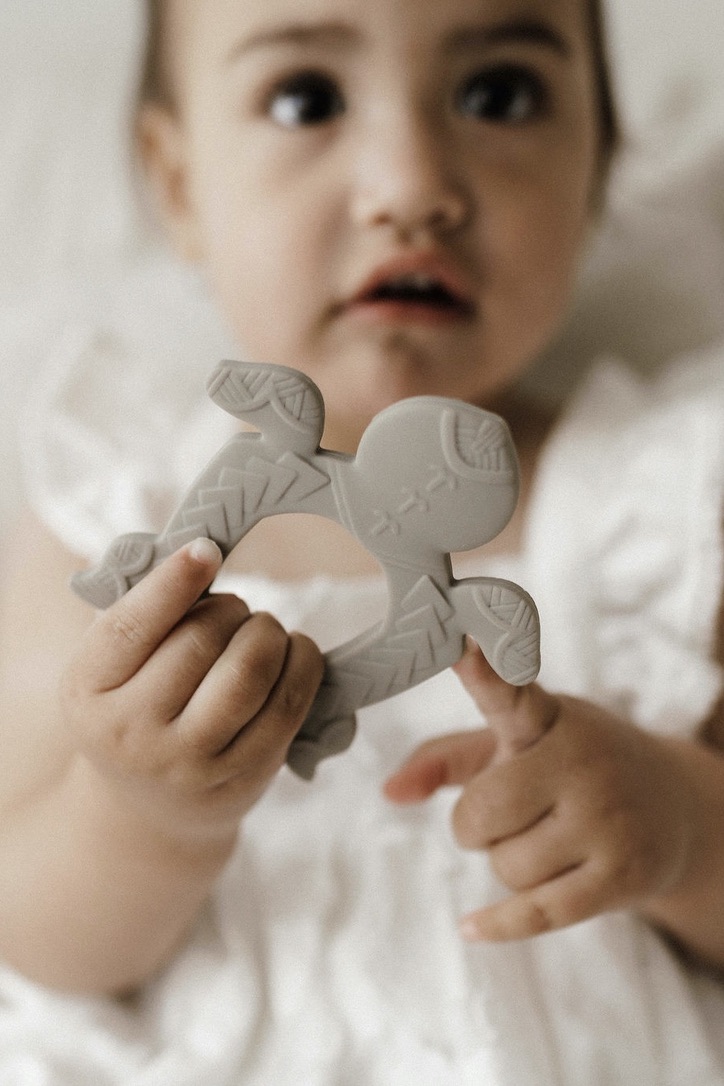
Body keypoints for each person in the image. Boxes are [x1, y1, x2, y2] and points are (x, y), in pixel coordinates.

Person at [1, 0, 723, 1081]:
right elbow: (32, 932)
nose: (410, 186)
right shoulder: (118, 494)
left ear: (596, 168)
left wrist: (674, 824)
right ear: (182, 184)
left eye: (499, 95)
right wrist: (140, 813)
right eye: (307, 100)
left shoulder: (665, 504)